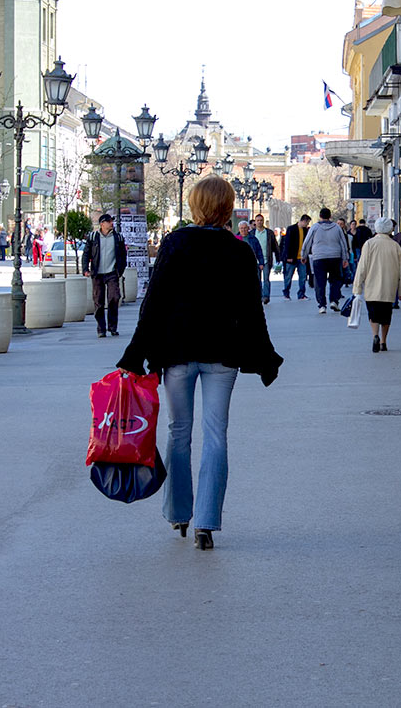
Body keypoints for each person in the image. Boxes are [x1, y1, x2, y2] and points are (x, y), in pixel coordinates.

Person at [117, 177, 282, 551]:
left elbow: (153, 305)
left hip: (176, 354)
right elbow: (252, 312)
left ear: (194, 205)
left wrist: (134, 355)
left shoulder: (176, 243)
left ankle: (179, 512)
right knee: (216, 434)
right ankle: (206, 523)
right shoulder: (239, 251)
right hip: (222, 355)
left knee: (179, 432)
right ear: (228, 207)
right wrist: (265, 356)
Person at [350, 217, 401, 353]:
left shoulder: (369, 244)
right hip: (389, 287)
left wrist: (357, 287)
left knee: (373, 314)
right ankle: (383, 341)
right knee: (386, 315)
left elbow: (362, 267)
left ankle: (375, 335)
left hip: (372, 287)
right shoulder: (395, 246)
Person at [82, 213, 128, 338]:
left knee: (114, 298)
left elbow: (123, 255)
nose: (111, 223)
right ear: (102, 224)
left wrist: (120, 271)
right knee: (99, 301)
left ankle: (112, 327)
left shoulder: (118, 237)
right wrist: (85, 269)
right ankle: (101, 328)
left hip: (112, 273)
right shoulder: (93, 237)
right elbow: (86, 254)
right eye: (108, 221)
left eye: (111, 221)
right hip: (97, 274)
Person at [301, 207, 350, 314]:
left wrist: (303, 255)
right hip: (335, 257)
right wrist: (345, 257)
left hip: (319, 257)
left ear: (320, 216)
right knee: (336, 280)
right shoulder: (337, 227)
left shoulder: (314, 227)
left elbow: (307, 242)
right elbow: (343, 243)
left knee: (319, 282)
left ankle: (322, 305)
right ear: (330, 216)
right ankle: (334, 301)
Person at [279, 215, 311, 301]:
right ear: (303, 221)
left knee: (303, 277)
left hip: (302, 258)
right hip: (292, 258)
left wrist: (305, 256)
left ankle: (301, 294)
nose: (307, 224)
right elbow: (287, 243)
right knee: (288, 276)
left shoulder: (305, 230)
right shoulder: (291, 229)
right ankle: (286, 294)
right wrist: (288, 257)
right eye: (307, 222)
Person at [251, 214, 278, 305]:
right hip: (255, 261)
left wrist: (279, 258)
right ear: (255, 222)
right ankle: (259, 296)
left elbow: (275, 246)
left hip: (266, 260)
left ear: (263, 221)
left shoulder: (269, 233)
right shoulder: (252, 233)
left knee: (266, 279)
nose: (259, 222)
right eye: (257, 220)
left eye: (261, 220)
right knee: (257, 279)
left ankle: (266, 296)